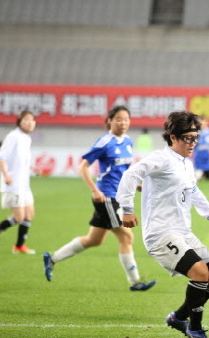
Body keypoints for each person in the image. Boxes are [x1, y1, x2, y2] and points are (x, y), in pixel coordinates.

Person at [117, 111, 209, 338]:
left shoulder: (186, 163)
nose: (193, 143)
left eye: (196, 138)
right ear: (173, 137)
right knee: (200, 272)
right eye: (188, 138)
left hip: (183, 231)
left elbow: (194, 191)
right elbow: (131, 173)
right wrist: (126, 208)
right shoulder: (161, 159)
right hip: (160, 233)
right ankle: (194, 328)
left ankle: (177, 318)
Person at [42, 106, 156, 291]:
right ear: (110, 120)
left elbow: (123, 171)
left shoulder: (127, 141)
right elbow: (83, 167)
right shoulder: (104, 142)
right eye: (119, 119)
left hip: (118, 194)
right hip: (107, 197)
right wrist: (95, 190)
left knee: (94, 240)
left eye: (126, 119)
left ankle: (52, 259)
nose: (123, 123)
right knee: (126, 235)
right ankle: (135, 281)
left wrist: (134, 185)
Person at [0, 110, 38, 255]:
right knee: (19, 217)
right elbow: (2, 157)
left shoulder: (27, 138)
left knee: (29, 214)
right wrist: (6, 175)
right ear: (19, 122)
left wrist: (32, 168)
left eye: (32, 120)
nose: (29, 122)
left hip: (24, 184)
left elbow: (22, 159)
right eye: (26, 120)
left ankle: (19, 246)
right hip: (13, 184)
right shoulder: (13, 136)